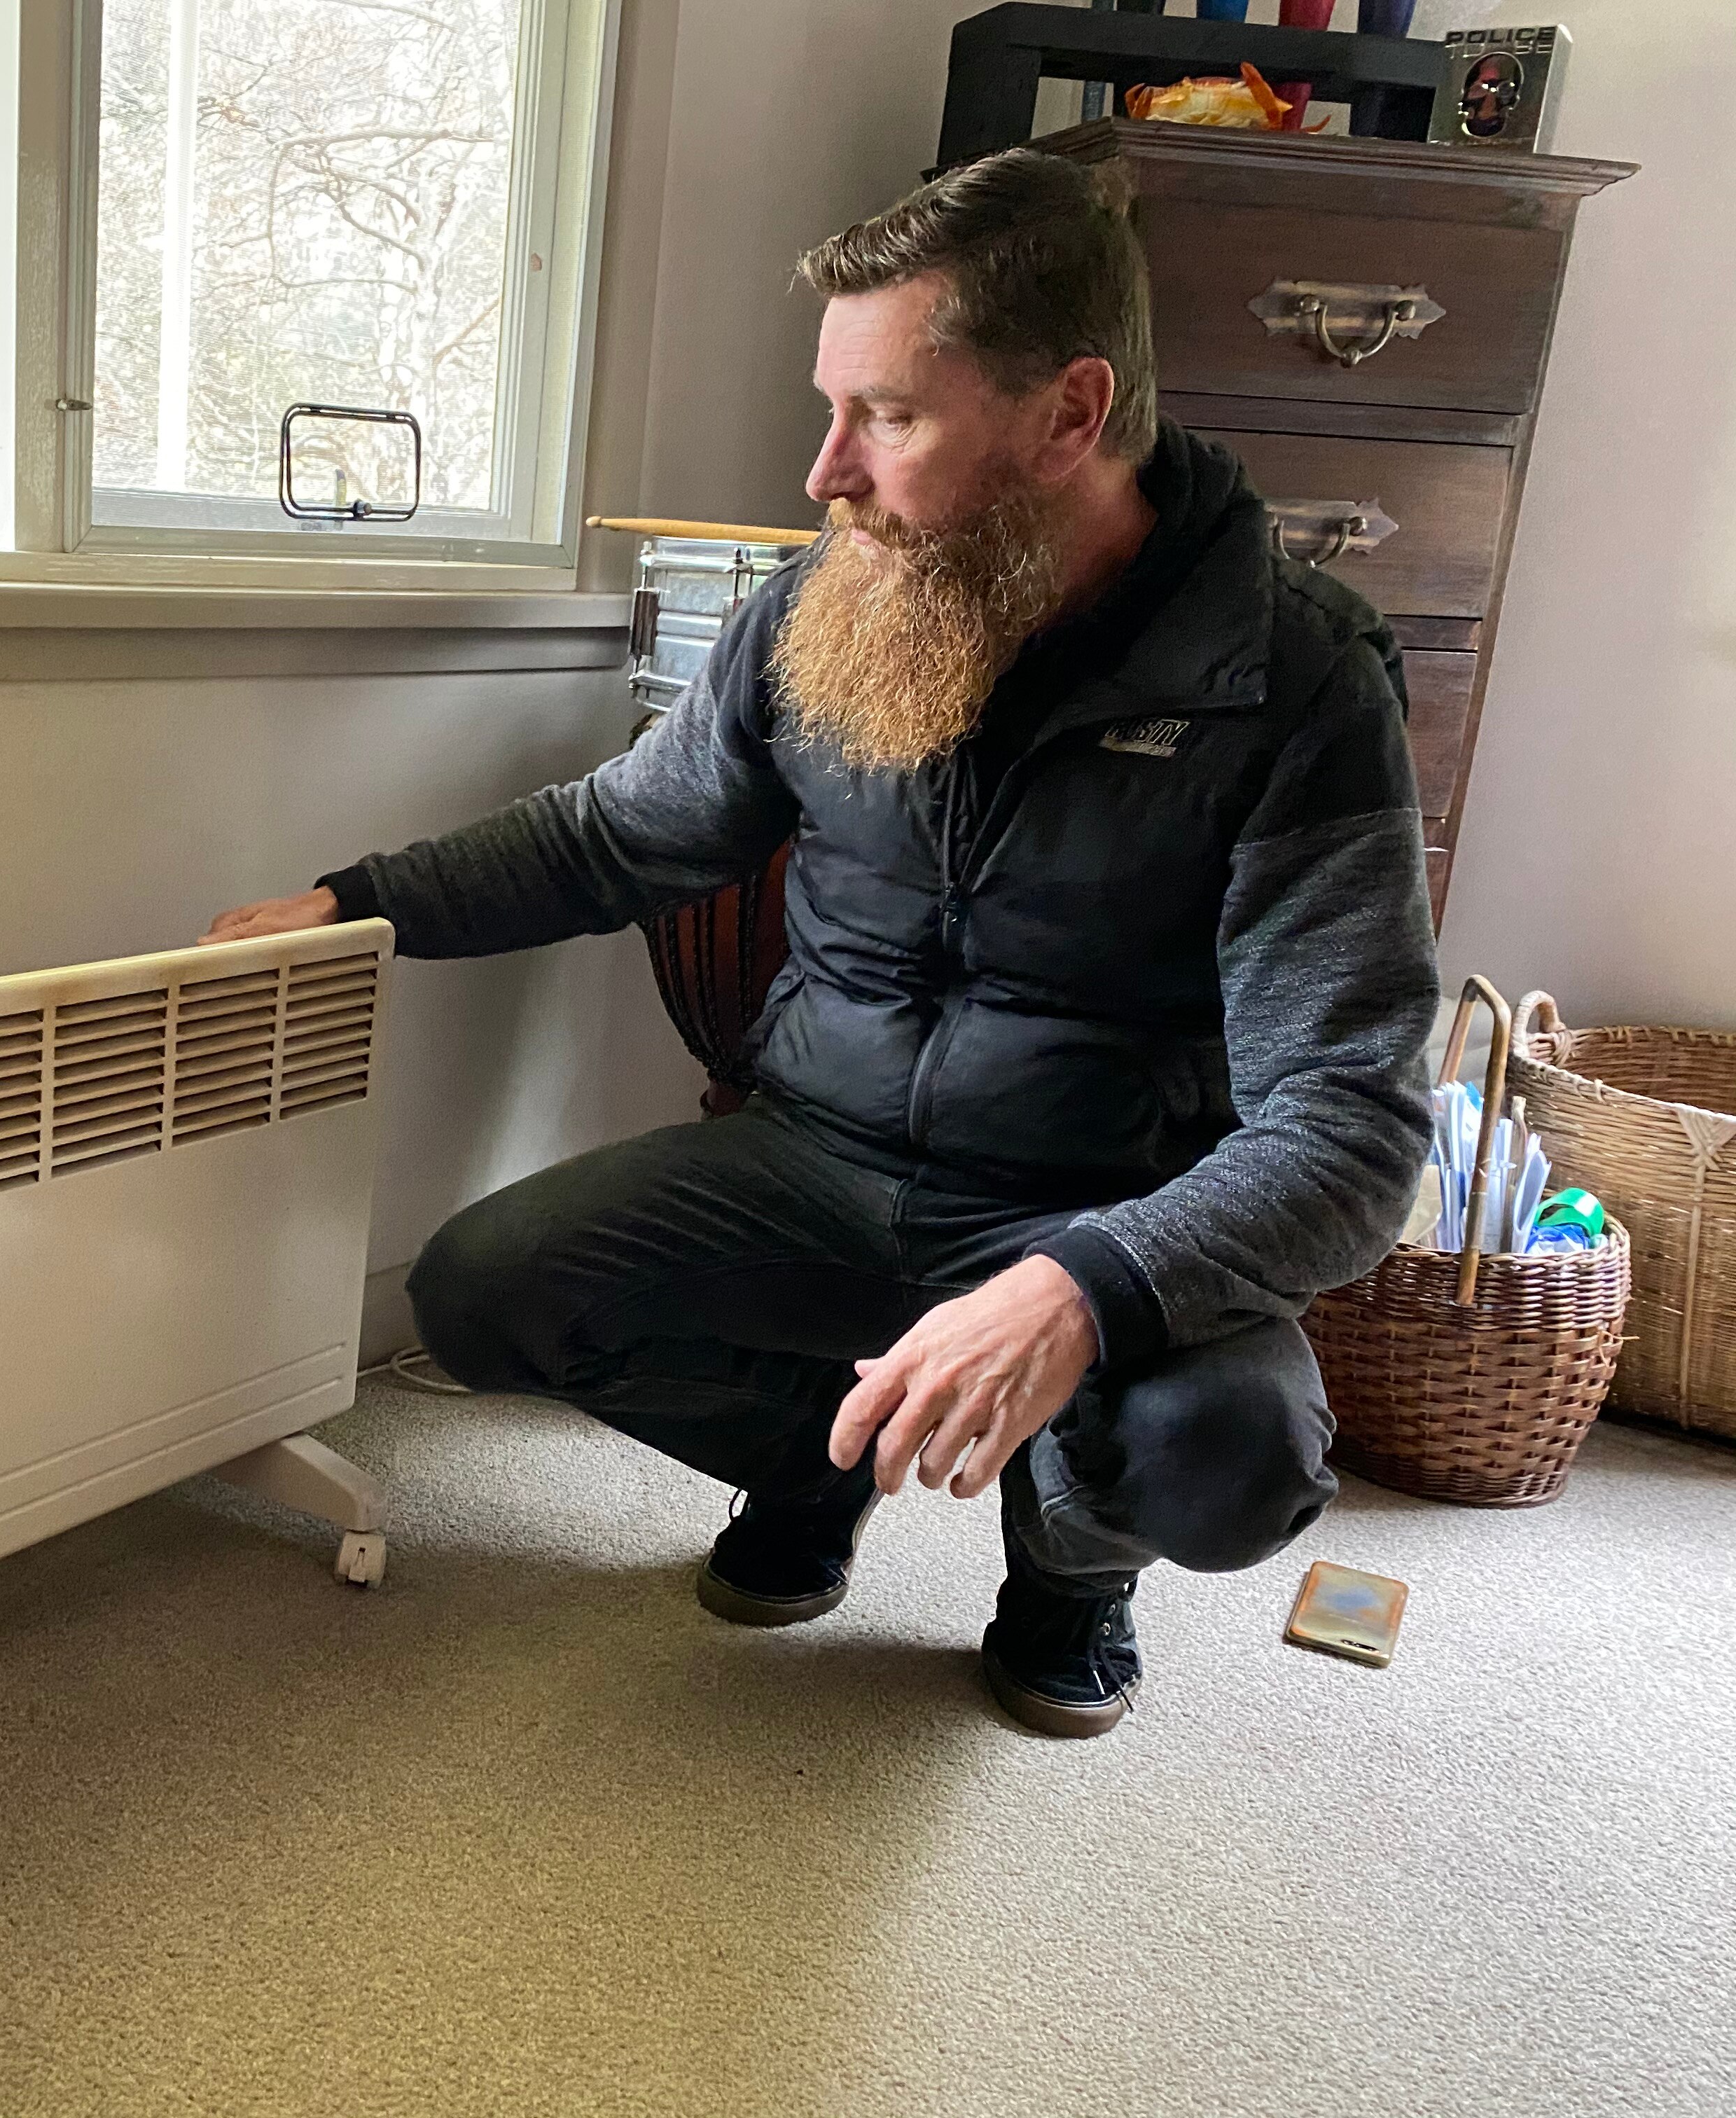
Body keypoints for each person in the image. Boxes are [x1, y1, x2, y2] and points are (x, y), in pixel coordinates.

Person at [201, 150, 1438, 1738]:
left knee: (1227, 1457)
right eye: (833, 407)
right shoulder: (821, 607)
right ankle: (813, 1461)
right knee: (485, 1286)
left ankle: (1067, 1573)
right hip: (817, 1160)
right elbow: (618, 835)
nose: (824, 472)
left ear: (1070, 414)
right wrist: (354, 901)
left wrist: (1081, 1285)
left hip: (1095, 1198)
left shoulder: (1300, 678)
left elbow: (1352, 1123)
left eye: (889, 417)